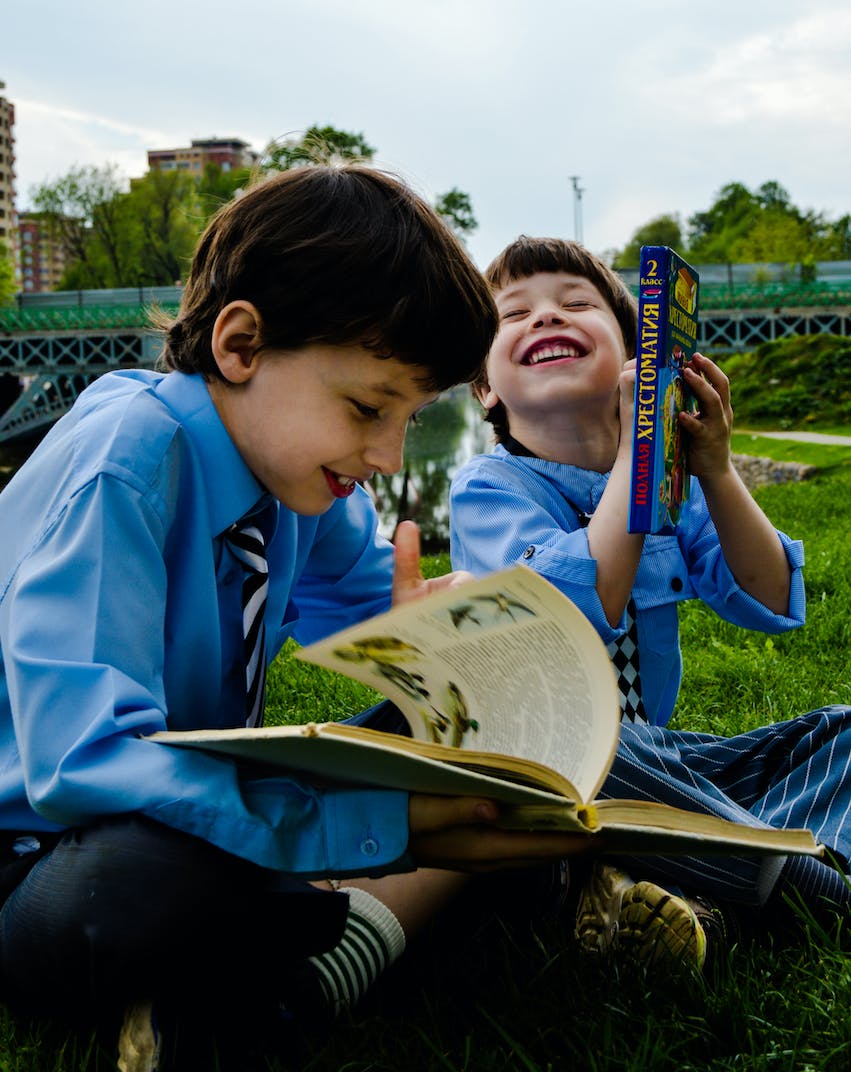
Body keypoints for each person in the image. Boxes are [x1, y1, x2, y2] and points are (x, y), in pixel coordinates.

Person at [0, 176, 599, 1072]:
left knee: (484, 750)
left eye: (408, 417)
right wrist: (383, 820)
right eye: (367, 407)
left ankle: (277, 967)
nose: (389, 456)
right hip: (43, 850)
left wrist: (449, 647)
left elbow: (376, 627)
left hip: (177, 809)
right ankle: (343, 927)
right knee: (150, 878)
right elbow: (83, 765)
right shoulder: (123, 463)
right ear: (241, 344)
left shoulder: (299, 480)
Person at [450, 235, 851, 965]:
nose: (546, 317)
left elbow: (766, 598)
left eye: (576, 304)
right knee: (586, 739)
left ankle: (691, 900)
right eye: (515, 315)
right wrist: (639, 456)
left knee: (838, 732)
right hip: (547, 763)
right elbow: (577, 604)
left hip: (655, 764)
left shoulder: (673, 482)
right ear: (484, 387)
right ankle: (805, 881)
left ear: (634, 357)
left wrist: (716, 471)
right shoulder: (488, 490)